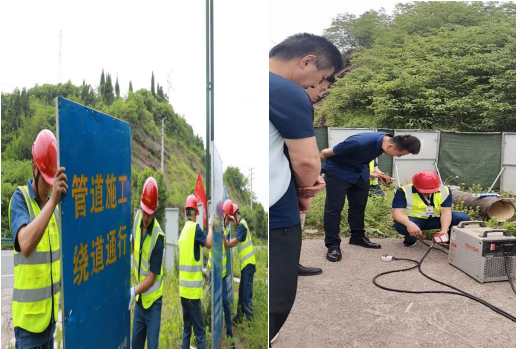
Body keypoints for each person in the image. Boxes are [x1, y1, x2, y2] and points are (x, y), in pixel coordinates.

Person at [269, 33, 343, 344]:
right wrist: (306, 188)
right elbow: (307, 162)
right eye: (322, 79)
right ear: (307, 61)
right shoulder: (284, 90)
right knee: (277, 297)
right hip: (274, 212)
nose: (316, 88)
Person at [8, 129, 67, 349]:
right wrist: (53, 203)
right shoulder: (20, 199)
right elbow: (24, 244)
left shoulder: (52, 208)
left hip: (49, 323)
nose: (49, 188)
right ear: (34, 169)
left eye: (53, 181)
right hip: (28, 330)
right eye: (46, 181)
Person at [320, 133, 421, 262]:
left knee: (359, 206)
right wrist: (321, 157)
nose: (398, 156)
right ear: (390, 146)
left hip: (360, 173)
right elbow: (326, 152)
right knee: (334, 209)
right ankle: (333, 244)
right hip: (339, 172)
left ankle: (357, 237)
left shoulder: (386, 142)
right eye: (400, 154)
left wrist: (379, 173)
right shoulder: (358, 142)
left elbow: (370, 156)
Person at [296, 76, 336, 277]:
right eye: (320, 88)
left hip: (292, 184)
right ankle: (291, 264)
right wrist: (306, 190)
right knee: (292, 229)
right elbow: (305, 158)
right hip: (292, 188)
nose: (321, 94)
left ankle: (293, 262)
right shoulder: (295, 105)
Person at [129, 177, 165, 349]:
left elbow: (151, 277)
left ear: (155, 210)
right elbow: (131, 246)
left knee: (152, 346)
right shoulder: (136, 219)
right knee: (135, 344)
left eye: (149, 213)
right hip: (140, 301)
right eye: (144, 211)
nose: (145, 216)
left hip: (153, 304)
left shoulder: (159, 237)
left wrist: (133, 291)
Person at [392, 170, 470, 246]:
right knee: (401, 225)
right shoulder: (404, 191)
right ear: (415, 185)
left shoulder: (444, 190)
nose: (427, 192)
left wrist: (444, 230)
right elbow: (397, 213)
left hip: (435, 219)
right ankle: (410, 239)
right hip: (414, 220)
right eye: (424, 190)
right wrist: (409, 224)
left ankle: (448, 240)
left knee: (461, 217)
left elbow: (446, 212)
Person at [179, 195, 214, 349]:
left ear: (187, 211)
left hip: (183, 292)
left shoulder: (183, 232)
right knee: (200, 332)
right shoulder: (195, 229)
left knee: (187, 329)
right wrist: (211, 225)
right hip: (193, 294)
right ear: (194, 213)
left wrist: (201, 270)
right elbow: (209, 243)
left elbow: (189, 258)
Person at [222, 199, 256, 323]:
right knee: (242, 293)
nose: (233, 223)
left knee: (246, 295)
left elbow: (233, 243)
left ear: (236, 214)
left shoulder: (242, 224)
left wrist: (223, 240)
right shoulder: (241, 224)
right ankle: (239, 319)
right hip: (246, 266)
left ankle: (250, 323)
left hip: (248, 265)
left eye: (232, 219)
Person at [207, 226, 234, 346]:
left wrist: (223, 234)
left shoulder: (225, 231)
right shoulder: (212, 230)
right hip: (213, 273)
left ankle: (229, 334)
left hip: (222, 275)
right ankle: (212, 332)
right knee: (211, 303)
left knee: (225, 303)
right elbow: (209, 245)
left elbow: (227, 246)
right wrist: (211, 227)